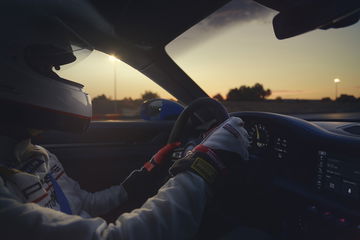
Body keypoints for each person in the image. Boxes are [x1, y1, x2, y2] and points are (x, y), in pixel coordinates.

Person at [0, 6, 250, 240]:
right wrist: (204, 164)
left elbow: (85, 205)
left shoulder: (35, 154)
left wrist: (142, 176)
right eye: (48, 67)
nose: (56, 78)